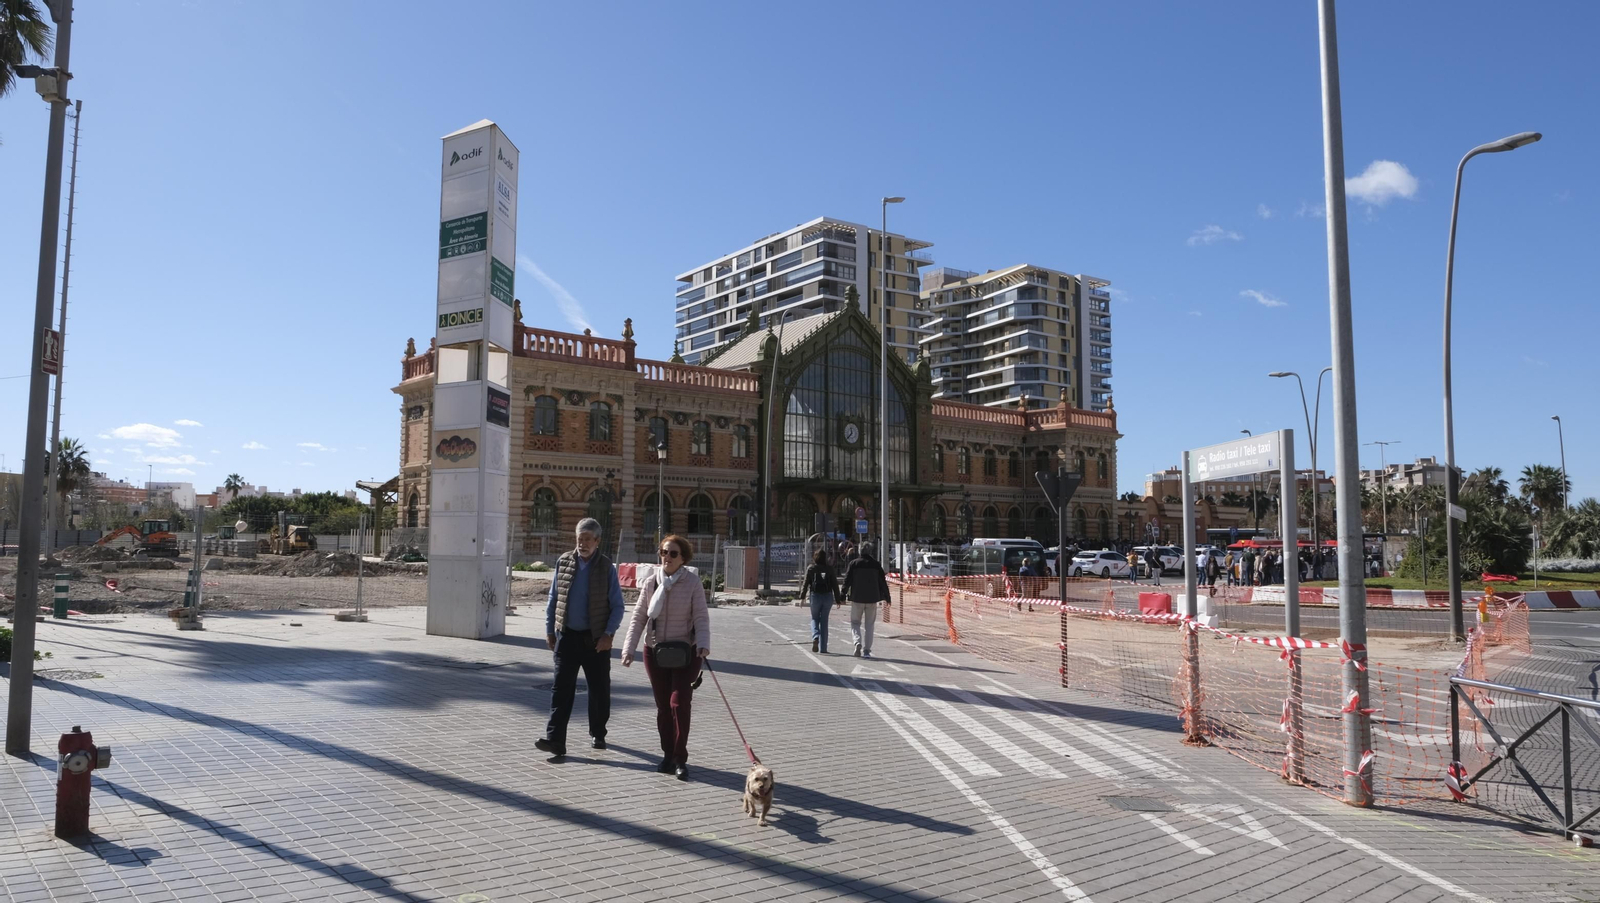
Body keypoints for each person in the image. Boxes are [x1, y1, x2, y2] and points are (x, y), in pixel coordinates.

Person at [622, 534, 711, 780]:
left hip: (686, 652)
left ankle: (681, 758)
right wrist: (628, 648)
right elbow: (639, 616)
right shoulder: (651, 582)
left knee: (679, 704)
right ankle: (667, 755)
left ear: (683, 558)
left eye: (673, 553)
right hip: (656, 652)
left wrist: (703, 644)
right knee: (663, 708)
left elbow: (701, 617)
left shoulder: (693, 583)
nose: (667, 557)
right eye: (663, 552)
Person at [538, 518, 625, 760]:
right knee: (560, 689)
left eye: (587, 538)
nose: (582, 543)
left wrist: (608, 634)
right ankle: (556, 739)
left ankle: (598, 731)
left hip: (595, 640)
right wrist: (549, 629)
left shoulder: (606, 566)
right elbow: (553, 598)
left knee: (598, 690)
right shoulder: (564, 561)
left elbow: (617, 606)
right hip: (566, 636)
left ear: (597, 541)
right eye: (579, 538)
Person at [843, 542, 891, 658]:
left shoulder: (853, 564)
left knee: (855, 622)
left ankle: (857, 642)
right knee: (869, 625)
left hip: (857, 598)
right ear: (870, 551)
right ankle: (867, 650)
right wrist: (887, 597)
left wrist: (841, 595)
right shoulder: (876, 565)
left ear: (859, 551)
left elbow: (847, 581)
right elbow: (882, 582)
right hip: (872, 599)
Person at [800, 548, 840, 653]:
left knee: (814, 618)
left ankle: (815, 636)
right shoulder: (830, 569)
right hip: (827, 596)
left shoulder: (811, 568)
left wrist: (802, 597)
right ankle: (823, 648)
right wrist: (838, 599)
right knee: (824, 621)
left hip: (815, 596)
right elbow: (835, 585)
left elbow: (805, 583)